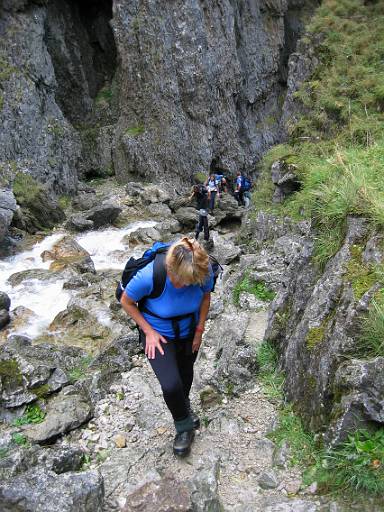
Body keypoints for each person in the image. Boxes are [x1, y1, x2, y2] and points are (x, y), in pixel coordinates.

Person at [121, 238, 213, 457]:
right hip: (158, 334)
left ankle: (185, 406)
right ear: (171, 268)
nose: (185, 285)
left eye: (190, 281)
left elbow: (206, 297)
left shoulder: (203, 270)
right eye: (181, 280)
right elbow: (126, 301)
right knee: (171, 385)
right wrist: (148, 331)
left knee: (185, 374)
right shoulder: (150, 276)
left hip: (189, 330)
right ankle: (184, 428)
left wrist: (200, 330)